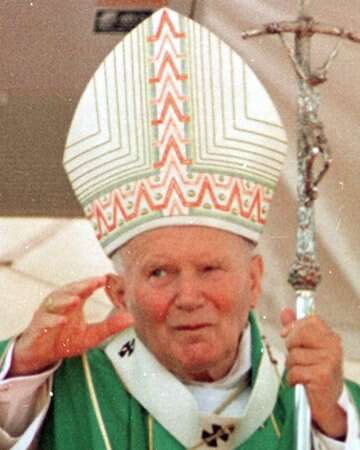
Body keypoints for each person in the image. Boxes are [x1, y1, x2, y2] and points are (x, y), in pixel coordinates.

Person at [0, 7, 359, 450]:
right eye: (159, 273)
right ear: (117, 293)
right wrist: (23, 364)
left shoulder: (316, 393)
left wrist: (332, 424)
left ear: (253, 279)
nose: (189, 298)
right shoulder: (59, 387)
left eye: (210, 269)